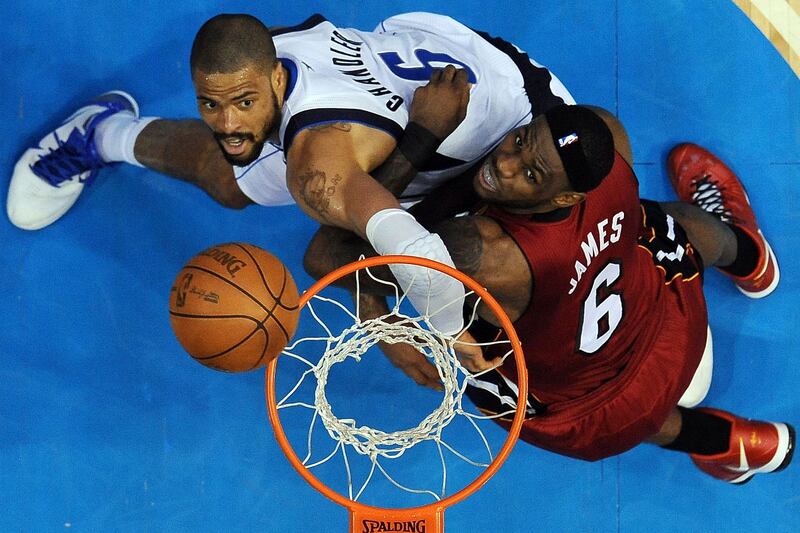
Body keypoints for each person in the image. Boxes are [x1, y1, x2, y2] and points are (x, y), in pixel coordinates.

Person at [303, 104, 793, 483]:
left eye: (531, 173)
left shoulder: (479, 252)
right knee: (667, 224)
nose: (505, 164)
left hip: (596, 413)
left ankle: (723, 444)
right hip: (668, 326)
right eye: (519, 141)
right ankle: (751, 257)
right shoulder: (609, 145)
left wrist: (375, 314)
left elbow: (325, 254)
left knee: (529, 375)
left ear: (564, 198)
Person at [7, 12, 574, 335]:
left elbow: (377, 241)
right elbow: (336, 244)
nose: (228, 123)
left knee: (499, 247)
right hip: (462, 68)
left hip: (508, 103)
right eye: (210, 104)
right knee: (229, 178)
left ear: (277, 78)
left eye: (244, 102)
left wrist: (444, 320)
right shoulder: (268, 54)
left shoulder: (315, 164)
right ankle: (102, 132)